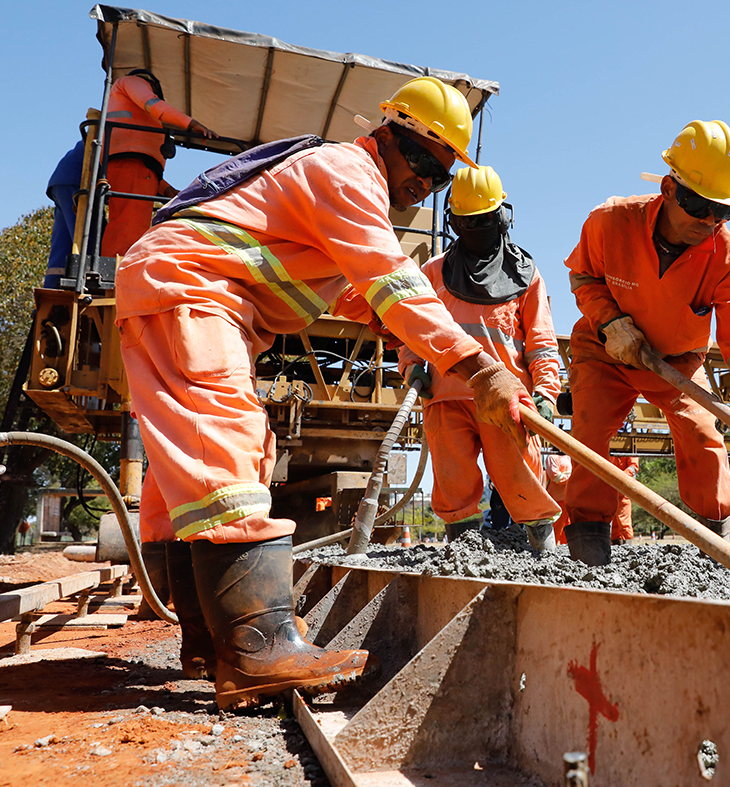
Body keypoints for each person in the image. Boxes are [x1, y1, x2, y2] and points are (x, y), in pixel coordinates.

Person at [115, 76, 535, 711]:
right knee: (224, 445)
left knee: (196, 471)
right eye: (421, 159)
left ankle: (213, 642)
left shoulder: (336, 187)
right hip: (190, 291)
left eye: (440, 175)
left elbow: (341, 282)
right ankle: (259, 648)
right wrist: (477, 368)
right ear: (387, 136)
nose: (424, 181)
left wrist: (387, 322)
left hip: (181, 290)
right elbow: (391, 280)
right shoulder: (346, 172)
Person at [562, 119, 730, 566]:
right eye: (700, 205)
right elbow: (583, 275)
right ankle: (588, 547)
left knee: (702, 432)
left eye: (725, 211)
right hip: (604, 351)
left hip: (676, 360)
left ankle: (719, 549)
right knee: (590, 435)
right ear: (668, 188)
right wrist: (611, 321)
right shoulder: (610, 221)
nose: (710, 221)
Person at [399, 165, 562, 550]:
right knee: (454, 488)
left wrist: (547, 392)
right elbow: (409, 328)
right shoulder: (433, 273)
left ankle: (543, 555)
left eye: (482, 222)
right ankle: (464, 556)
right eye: (469, 223)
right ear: (455, 223)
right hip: (445, 398)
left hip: (507, 403)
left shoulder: (526, 276)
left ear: (500, 218)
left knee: (523, 481)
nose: (477, 231)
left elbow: (540, 342)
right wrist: (411, 367)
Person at [100, 69, 216, 258]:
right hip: (131, 162)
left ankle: (121, 262)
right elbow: (153, 105)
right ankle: (119, 265)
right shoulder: (132, 82)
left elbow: (145, 169)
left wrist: (168, 191)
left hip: (136, 167)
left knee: (129, 219)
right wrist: (191, 124)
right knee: (130, 222)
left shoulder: (136, 118)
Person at [45, 140, 85, 288]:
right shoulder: (129, 136)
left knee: (64, 242)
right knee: (89, 239)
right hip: (77, 180)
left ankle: (52, 288)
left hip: (64, 179)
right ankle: (88, 281)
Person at [610, 455, 640, 545]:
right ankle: (616, 543)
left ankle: (628, 544)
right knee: (613, 518)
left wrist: (620, 476)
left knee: (624, 520)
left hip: (623, 491)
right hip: (611, 490)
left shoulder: (629, 450)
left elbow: (633, 467)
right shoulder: (610, 449)